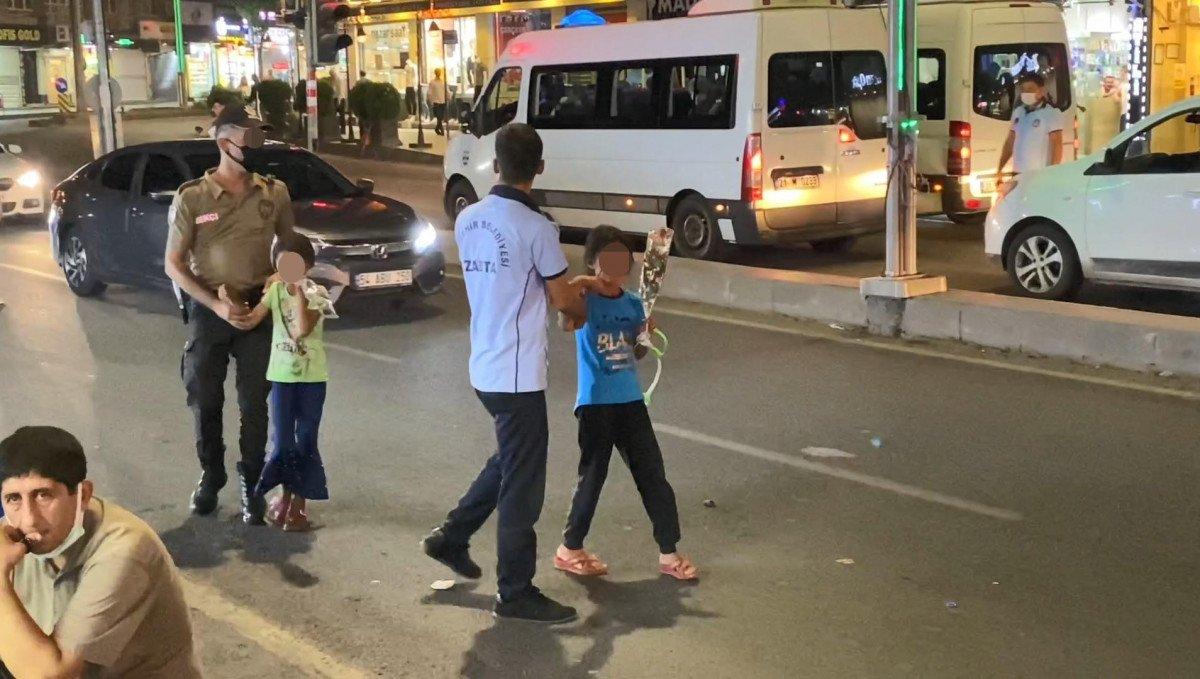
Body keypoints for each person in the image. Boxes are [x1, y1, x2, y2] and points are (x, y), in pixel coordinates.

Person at [421, 123, 588, 624]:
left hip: (485, 366)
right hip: (517, 374)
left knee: (511, 460)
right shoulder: (537, 228)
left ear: (495, 165)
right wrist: (585, 298)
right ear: (540, 167)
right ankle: (514, 591)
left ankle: (451, 536)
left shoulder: (469, 218)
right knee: (523, 484)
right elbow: (562, 300)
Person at [165, 104, 297, 525]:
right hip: (210, 309)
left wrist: (267, 297)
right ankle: (211, 474)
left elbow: (290, 254)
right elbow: (174, 264)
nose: (259, 145)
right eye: (250, 138)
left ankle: (251, 480)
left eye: (262, 137)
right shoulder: (193, 197)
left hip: (259, 308)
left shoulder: (274, 193)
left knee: (255, 403)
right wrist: (218, 305)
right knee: (205, 399)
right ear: (224, 143)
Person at [552, 226, 698, 582]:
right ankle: (569, 549)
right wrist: (586, 281)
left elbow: (637, 353)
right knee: (593, 477)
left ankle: (669, 553)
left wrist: (643, 336)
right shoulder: (582, 298)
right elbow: (564, 319)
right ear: (593, 261)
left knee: (653, 475)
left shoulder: (635, 303)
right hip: (595, 403)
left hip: (631, 400)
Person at [0, 427, 202, 678]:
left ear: (83, 495)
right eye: (14, 499)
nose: (29, 519)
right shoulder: (12, 536)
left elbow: (51, 675)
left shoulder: (124, 550)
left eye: (43, 495)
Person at [250, 235, 334, 532]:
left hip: (312, 379)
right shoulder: (274, 291)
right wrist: (226, 301)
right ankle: (283, 497)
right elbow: (252, 319)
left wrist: (298, 290)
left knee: (306, 440)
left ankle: (299, 504)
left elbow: (301, 330)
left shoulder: (318, 292)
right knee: (283, 442)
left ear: (308, 265)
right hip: (281, 376)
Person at [997, 72, 1064, 184]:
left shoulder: (1051, 113)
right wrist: (1000, 168)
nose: (1026, 93)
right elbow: (1010, 142)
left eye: (1030, 89)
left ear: (1041, 91)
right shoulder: (1018, 112)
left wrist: (1051, 173)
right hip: (1017, 175)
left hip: (1038, 176)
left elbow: (1057, 146)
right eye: (1023, 90)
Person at [429, 68, 448, 136]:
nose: (438, 73)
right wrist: (431, 101)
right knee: (439, 117)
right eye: (437, 72)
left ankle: (437, 128)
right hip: (436, 102)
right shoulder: (432, 82)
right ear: (435, 73)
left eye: (439, 72)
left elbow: (446, 90)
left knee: (441, 117)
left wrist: (448, 97)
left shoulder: (443, 82)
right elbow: (430, 93)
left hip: (442, 101)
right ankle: (441, 129)